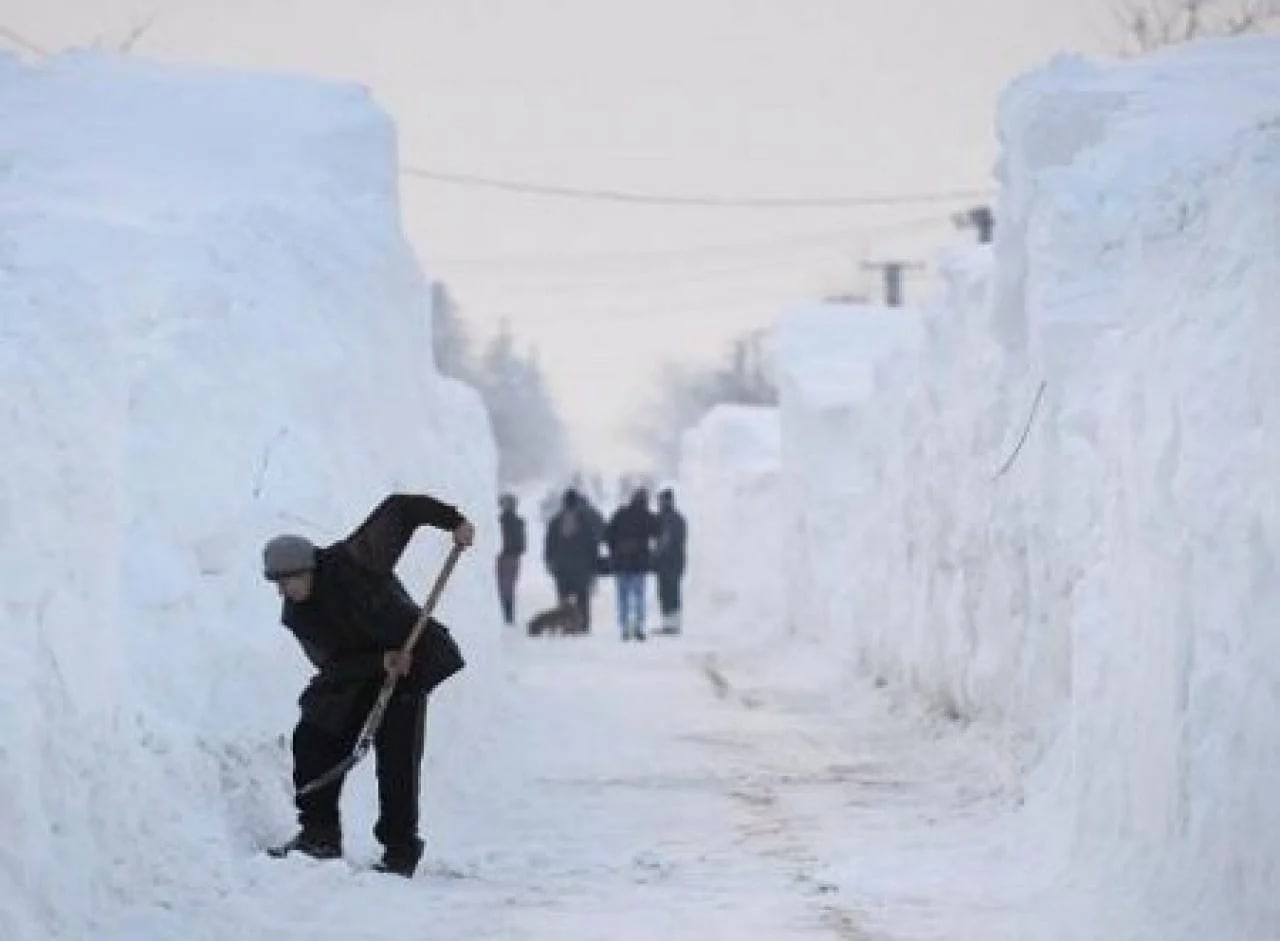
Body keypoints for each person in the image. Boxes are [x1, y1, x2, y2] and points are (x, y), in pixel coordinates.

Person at [263, 493, 475, 877]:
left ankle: (401, 851)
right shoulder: (298, 615)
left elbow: (400, 508)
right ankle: (319, 835)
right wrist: (379, 661)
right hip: (359, 672)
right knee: (313, 735)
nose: (283, 592)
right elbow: (330, 665)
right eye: (277, 584)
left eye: (287, 581)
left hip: (414, 663)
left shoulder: (358, 559)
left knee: (397, 758)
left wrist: (453, 521)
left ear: (307, 568)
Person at [605, 487, 658, 642]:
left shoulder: (620, 514)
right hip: (639, 563)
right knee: (639, 596)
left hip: (621, 562)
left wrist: (614, 550)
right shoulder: (647, 516)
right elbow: (658, 532)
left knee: (622, 597)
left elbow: (607, 534)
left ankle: (624, 627)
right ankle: (639, 626)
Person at [543, 488, 598, 632]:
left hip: (561, 566)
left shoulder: (555, 522)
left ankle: (566, 623)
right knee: (583, 597)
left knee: (563, 596)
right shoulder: (585, 522)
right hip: (582, 566)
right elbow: (592, 544)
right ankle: (583, 624)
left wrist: (549, 561)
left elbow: (549, 544)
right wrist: (594, 564)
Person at [653, 488, 687, 635]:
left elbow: (664, 540)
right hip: (678, 558)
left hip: (665, 561)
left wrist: (655, 555)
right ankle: (674, 623)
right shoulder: (680, 518)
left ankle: (669, 625)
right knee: (674, 590)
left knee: (666, 591)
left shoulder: (663, 518)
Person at [496, 493, 525, 625]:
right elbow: (523, 545)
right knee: (508, 588)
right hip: (513, 558)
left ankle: (507, 616)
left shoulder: (501, 521)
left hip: (504, 557)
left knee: (503, 588)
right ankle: (508, 616)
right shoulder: (519, 522)